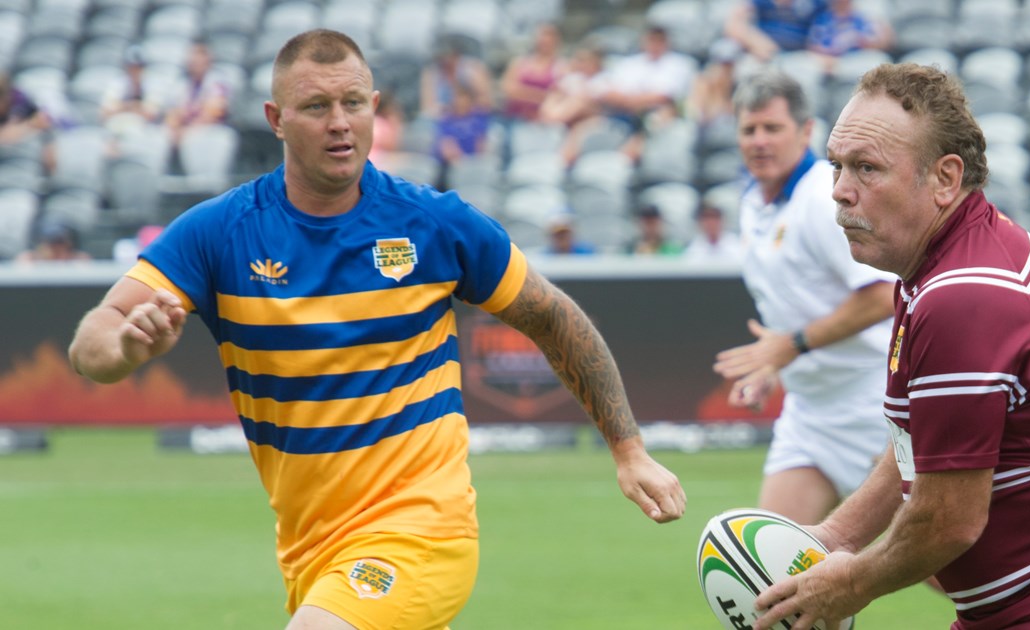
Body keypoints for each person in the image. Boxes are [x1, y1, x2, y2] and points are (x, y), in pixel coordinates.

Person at [64, 30, 685, 630]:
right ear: (276, 119)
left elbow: (554, 316)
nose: (340, 122)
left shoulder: (434, 223)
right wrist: (126, 346)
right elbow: (92, 342)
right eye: (317, 106)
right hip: (310, 550)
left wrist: (628, 450)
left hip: (423, 530)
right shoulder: (220, 232)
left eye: (354, 103)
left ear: (375, 108)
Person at [752, 63, 1030, 629]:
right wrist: (836, 535)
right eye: (837, 165)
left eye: (867, 168)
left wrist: (850, 584)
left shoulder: (961, 297)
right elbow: (923, 441)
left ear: (945, 178)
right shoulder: (942, 262)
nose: (839, 189)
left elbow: (948, 523)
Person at [712, 71, 895, 526]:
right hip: (810, 411)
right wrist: (771, 367)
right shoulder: (753, 202)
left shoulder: (823, 198)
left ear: (806, 130)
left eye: (773, 128)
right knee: (768, 562)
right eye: (749, 129)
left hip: (875, 404)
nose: (759, 141)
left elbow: (884, 295)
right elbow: (793, 308)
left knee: (936, 560)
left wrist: (791, 346)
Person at [726, 0, 825, 62]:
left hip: (801, 57)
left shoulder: (814, 3)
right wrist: (755, 42)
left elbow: (823, 32)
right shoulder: (760, 2)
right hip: (762, 53)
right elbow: (734, 23)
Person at [16, 222, 92, 263]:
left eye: (60, 245)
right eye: (52, 246)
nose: (56, 250)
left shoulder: (76, 261)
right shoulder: (30, 260)